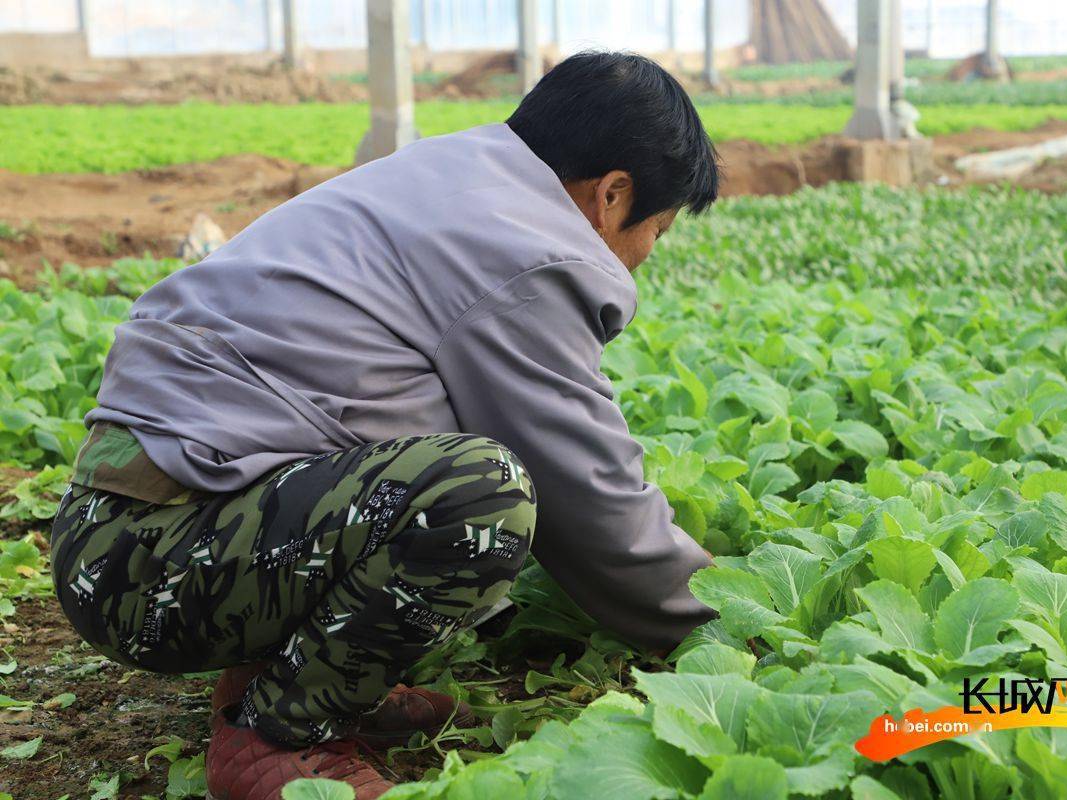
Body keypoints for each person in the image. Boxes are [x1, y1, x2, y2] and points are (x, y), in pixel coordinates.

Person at [50, 51, 720, 800]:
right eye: (654, 231)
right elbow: (589, 493)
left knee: (431, 462)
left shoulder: (457, 174)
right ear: (612, 195)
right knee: (479, 496)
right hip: (144, 567)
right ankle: (279, 736)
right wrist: (724, 624)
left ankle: (301, 677)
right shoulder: (527, 247)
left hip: (126, 534)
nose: (644, 257)